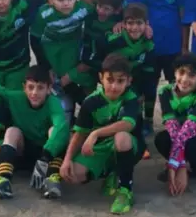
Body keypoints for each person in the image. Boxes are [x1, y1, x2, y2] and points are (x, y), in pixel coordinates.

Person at [60, 53, 145, 215]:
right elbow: (79, 134)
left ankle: (125, 190)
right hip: (101, 148)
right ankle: (112, 173)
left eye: (120, 81)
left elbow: (127, 124)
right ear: (101, 78)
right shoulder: (91, 101)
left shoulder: (131, 98)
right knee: (74, 175)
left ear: (129, 81)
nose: (114, 86)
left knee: (121, 137)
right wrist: (67, 159)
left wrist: (96, 133)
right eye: (110, 80)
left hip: (130, 145)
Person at [0, 66, 69, 200]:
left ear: (49, 89)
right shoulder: (16, 97)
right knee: (12, 131)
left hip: (47, 155)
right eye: (30, 87)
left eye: (40, 88)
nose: (34, 93)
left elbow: (61, 126)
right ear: (24, 87)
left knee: (56, 131)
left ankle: (52, 178)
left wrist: (45, 156)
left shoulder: (53, 102)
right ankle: (4, 179)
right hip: (24, 150)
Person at [154, 54, 196, 195]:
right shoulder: (165, 92)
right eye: (181, 72)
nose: (184, 79)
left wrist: (175, 165)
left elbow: (187, 132)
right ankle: (177, 163)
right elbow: (172, 126)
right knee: (162, 138)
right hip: (178, 135)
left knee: (192, 144)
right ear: (174, 73)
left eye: (192, 75)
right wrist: (177, 165)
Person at [32, 0, 93, 120]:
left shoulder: (83, 8)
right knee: (59, 84)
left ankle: (91, 114)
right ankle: (67, 117)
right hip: (52, 51)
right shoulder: (43, 14)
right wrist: (45, 66)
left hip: (73, 48)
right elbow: (34, 39)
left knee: (87, 78)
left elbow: (102, 2)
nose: (66, 3)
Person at [93, 3, 157, 140]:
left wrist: (141, 91)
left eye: (139, 23)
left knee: (150, 88)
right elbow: (96, 59)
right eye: (130, 23)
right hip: (115, 79)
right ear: (123, 24)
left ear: (146, 24)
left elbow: (148, 67)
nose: (134, 27)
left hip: (136, 77)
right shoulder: (112, 40)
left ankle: (148, 121)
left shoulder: (148, 39)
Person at [140, 0, 190, 86]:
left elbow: (185, 21)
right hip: (150, 48)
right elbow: (139, 17)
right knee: (149, 87)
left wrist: (184, 47)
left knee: (176, 86)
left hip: (173, 49)